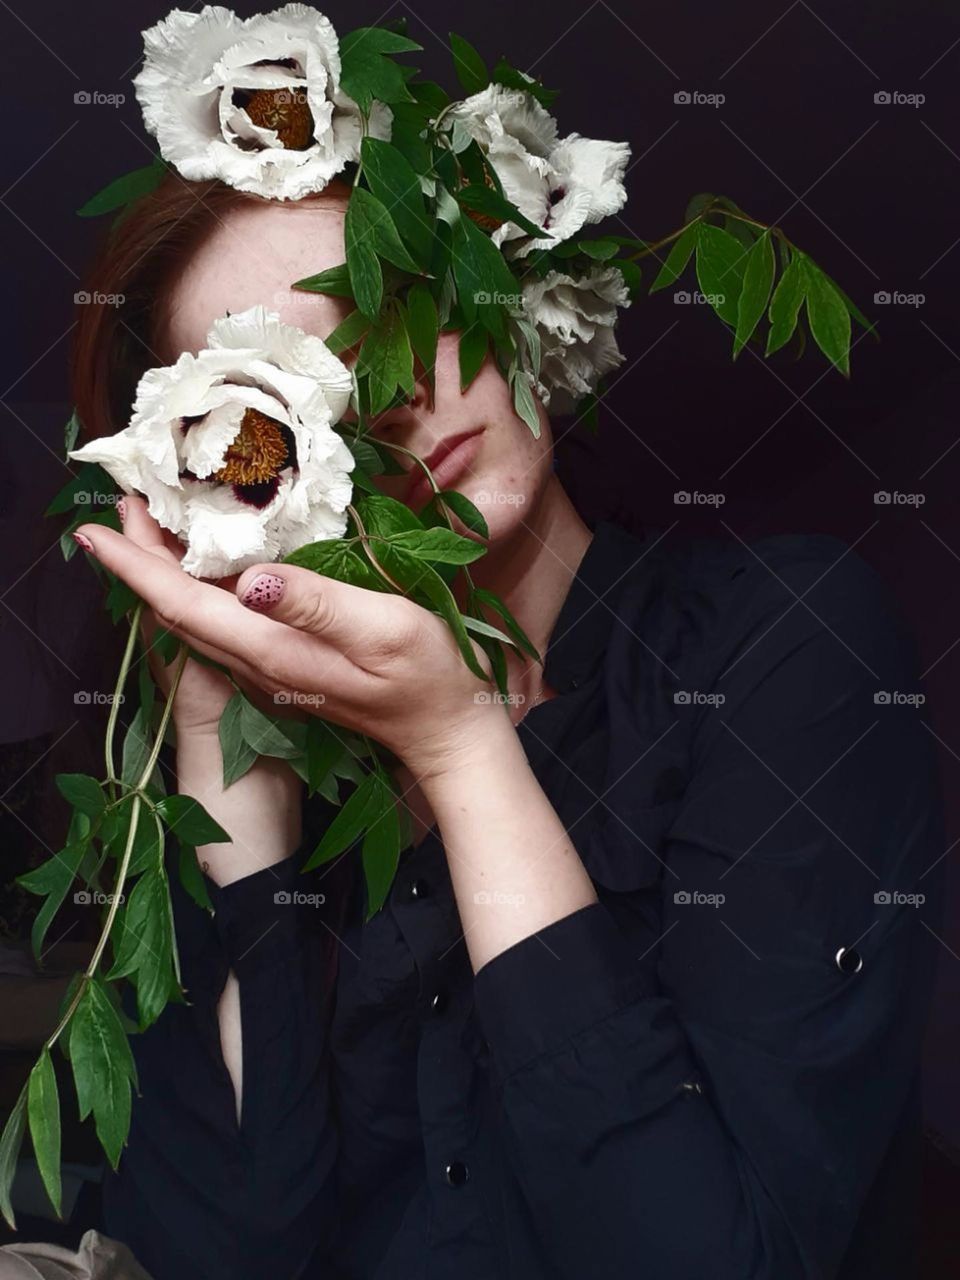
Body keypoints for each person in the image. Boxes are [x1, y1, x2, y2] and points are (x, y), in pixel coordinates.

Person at [68, 174, 944, 1280]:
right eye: (280, 398)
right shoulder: (320, 790)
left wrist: (461, 747)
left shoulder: (786, 644)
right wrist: (216, 743)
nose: (380, 400)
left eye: (396, 307)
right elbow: (226, 1252)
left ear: (502, 290)